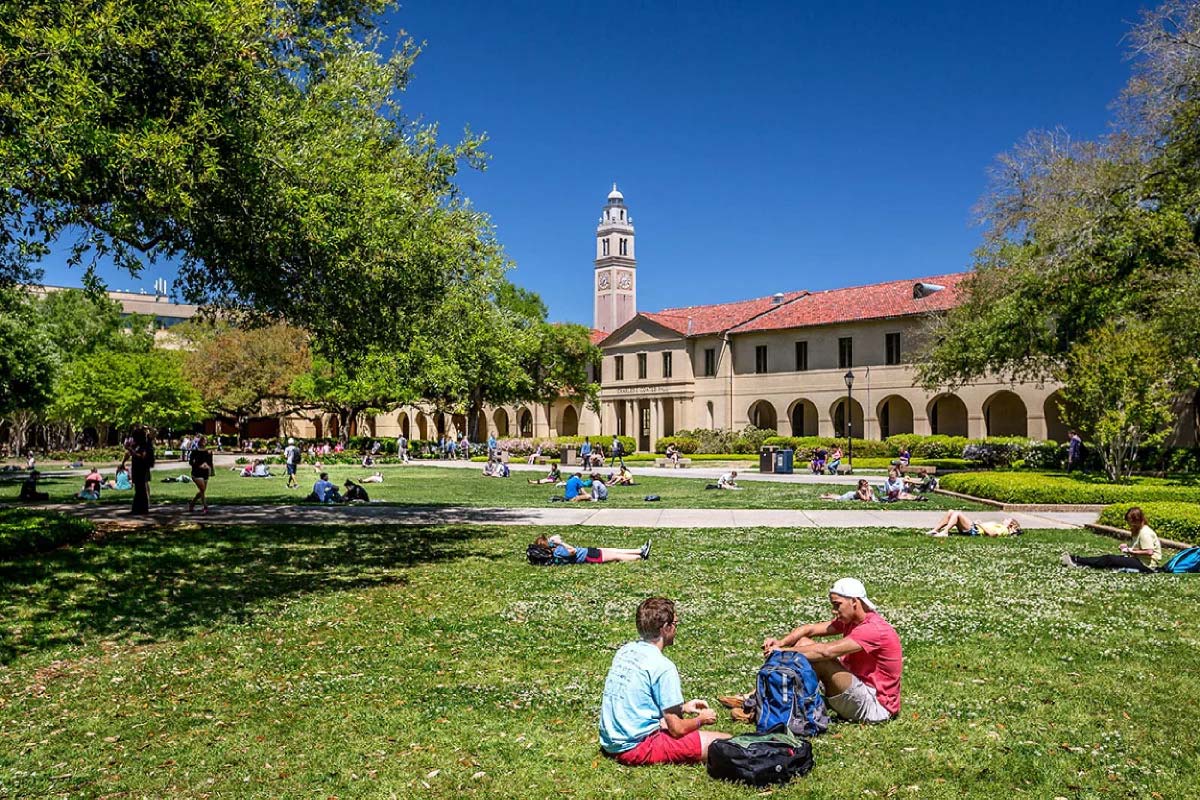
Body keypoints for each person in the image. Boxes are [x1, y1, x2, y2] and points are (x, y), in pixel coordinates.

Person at [600, 596, 731, 766]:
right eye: (675, 624)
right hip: (636, 747)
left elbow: (639, 701)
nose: (676, 629)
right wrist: (702, 719)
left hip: (611, 741)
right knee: (726, 743)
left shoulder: (625, 651)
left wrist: (683, 707)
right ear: (666, 628)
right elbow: (677, 730)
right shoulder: (663, 667)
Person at [758, 578, 902, 724]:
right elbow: (809, 629)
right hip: (858, 689)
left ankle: (766, 703)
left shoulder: (873, 629)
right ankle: (766, 699)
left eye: (837, 605)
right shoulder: (853, 620)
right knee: (803, 643)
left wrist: (781, 652)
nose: (834, 611)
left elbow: (826, 652)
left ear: (854, 601)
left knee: (821, 660)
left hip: (877, 708)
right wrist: (781, 643)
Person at [1061, 507, 1161, 572]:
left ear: (1137, 520)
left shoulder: (1145, 533)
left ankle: (1077, 560)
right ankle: (1077, 560)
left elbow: (1149, 551)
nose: (1129, 525)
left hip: (1146, 565)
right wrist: (1128, 547)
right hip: (1140, 560)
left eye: (1130, 522)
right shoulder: (1139, 531)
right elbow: (1140, 548)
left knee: (1110, 559)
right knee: (1110, 560)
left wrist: (1130, 551)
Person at [539, 534, 650, 564]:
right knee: (616, 555)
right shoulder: (558, 550)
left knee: (614, 550)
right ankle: (641, 557)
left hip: (588, 552)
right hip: (589, 556)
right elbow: (572, 551)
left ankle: (640, 550)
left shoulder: (556, 551)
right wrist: (560, 542)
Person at [121, 426, 155, 515]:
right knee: (138, 489)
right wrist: (123, 463)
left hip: (142, 468)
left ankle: (141, 509)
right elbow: (129, 454)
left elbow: (142, 456)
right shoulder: (136, 445)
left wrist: (147, 427)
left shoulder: (145, 444)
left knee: (141, 489)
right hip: (136, 468)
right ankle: (138, 508)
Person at [925, 511, 1022, 537]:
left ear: (1011, 525)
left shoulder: (1003, 529)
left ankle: (945, 532)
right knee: (951, 512)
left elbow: (993, 534)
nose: (1005, 519)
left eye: (1008, 519)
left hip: (975, 530)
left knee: (957, 514)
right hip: (976, 527)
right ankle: (935, 530)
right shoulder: (1001, 526)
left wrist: (979, 524)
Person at [188, 435, 214, 514]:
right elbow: (191, 462)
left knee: (202, 491)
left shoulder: (208, 452)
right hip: (196, 472)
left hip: (205, 473)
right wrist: (199, 465)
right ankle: (205, 506)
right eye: (203, 440)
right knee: (202, 489)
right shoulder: (195, 451)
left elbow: (210, 463)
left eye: (205, 440)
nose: (204, 442)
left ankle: (192, 503)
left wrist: (210, 469)